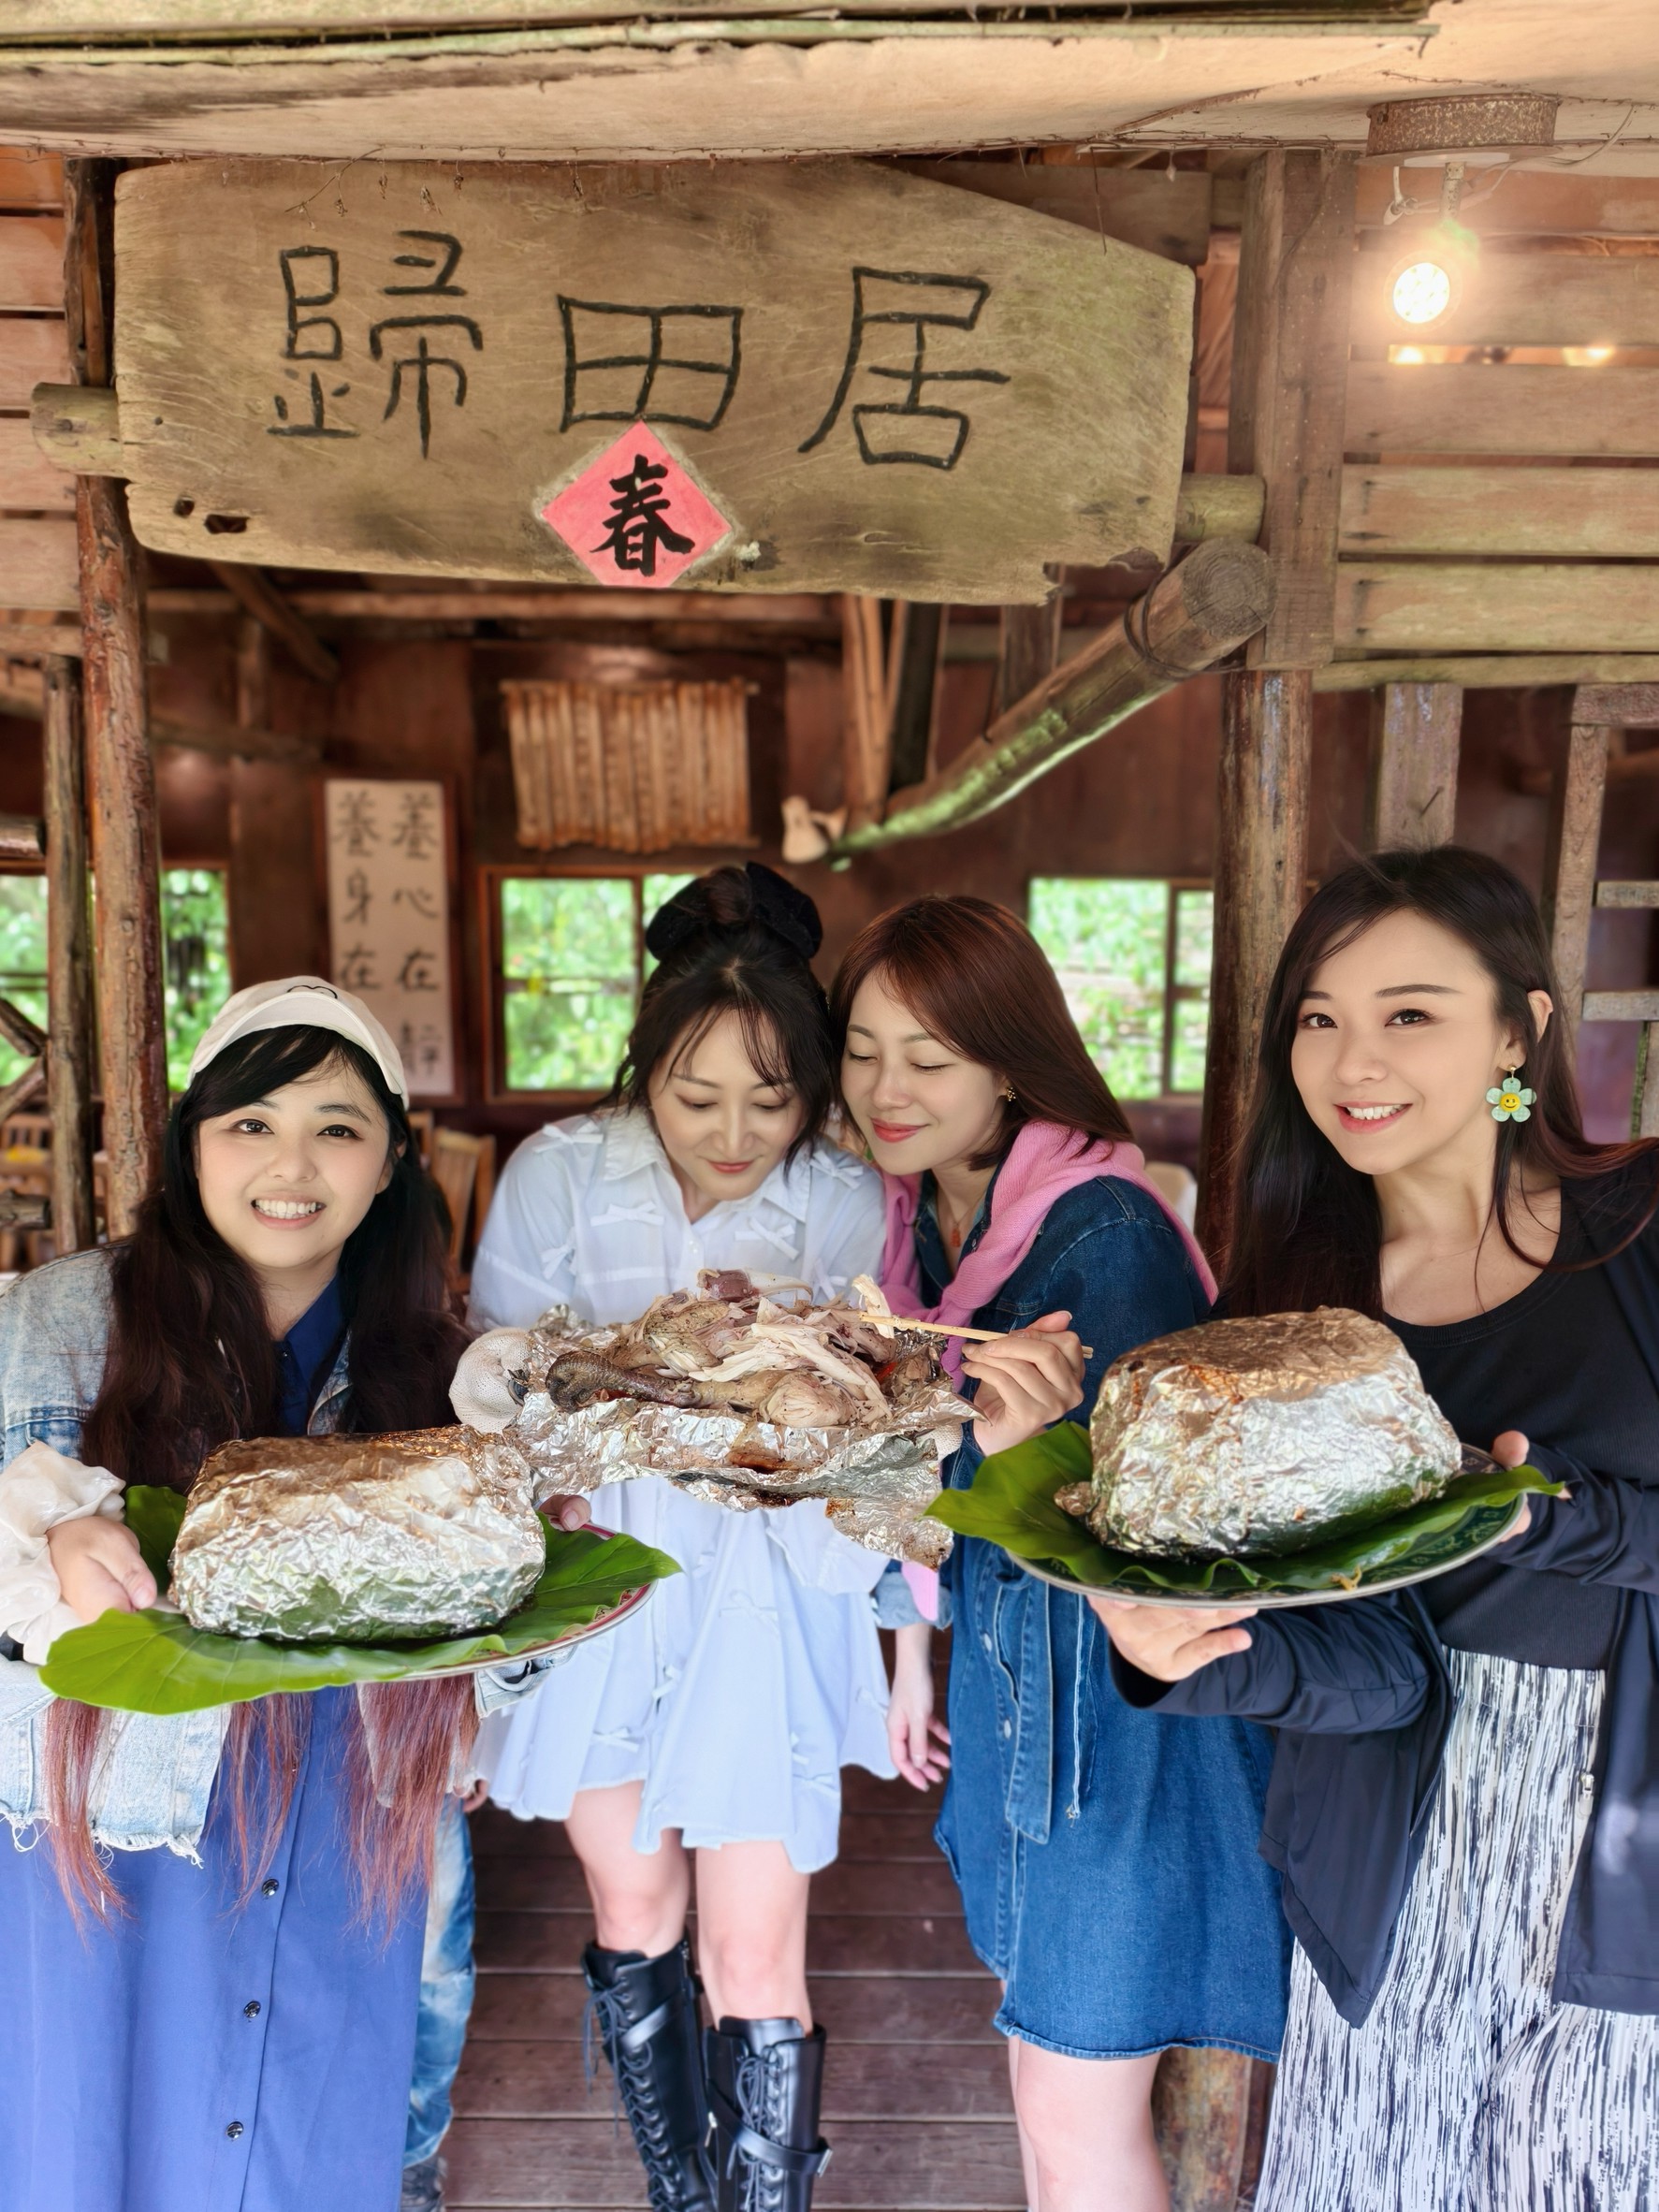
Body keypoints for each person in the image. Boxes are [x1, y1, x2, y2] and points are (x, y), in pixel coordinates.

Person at [1096, 846, 1659, 2212]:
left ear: (1517, 1028)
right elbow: (1359, 1670)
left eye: (1409, 1012)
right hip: (1388, 1853)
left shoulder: (1639, 1228)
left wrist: (1522, 1515)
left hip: (1618, 1845)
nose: (1354, 1058)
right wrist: (1186, 1654)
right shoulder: (1295, 1319)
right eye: (1318, 1017)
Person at [0, 977, 531, 2212]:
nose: (291, 1166)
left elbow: (497, 1668)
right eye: (250, 1124)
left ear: (393, 1157)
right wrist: (56, 1542)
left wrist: (528, 1554)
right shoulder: (55, 1319)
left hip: (344, 1821)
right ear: (191, 1146)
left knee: (301, 2139)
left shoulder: (441, 1363)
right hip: (114, 1805)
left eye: (337, 1127)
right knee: (86, 2139)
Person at [829, 895, 1290, 2212]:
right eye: (861, 1052)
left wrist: (1041, 1439)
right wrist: (911, 1660)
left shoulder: (1104, 1234)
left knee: (1071, 2095)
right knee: (1046, 2084)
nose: (887, 1089)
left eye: (928, 1058)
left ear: (1008, 1061)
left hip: (1119, 1725)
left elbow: (1157, 1520)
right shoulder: (921, 1223)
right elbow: (931, 1477)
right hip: (1012, 1683)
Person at [453, 865, 892, 2212]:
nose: (733, 1133)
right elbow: (499, 1377)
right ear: (644, 1066)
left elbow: (864, 1413)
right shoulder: (558, 1173)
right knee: (635, 1915)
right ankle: (682, 2193)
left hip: (767, 1591)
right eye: (695, 1097)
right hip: (613, 1586)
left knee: (756, 1962)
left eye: (772, 1101)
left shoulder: (846, 1191)